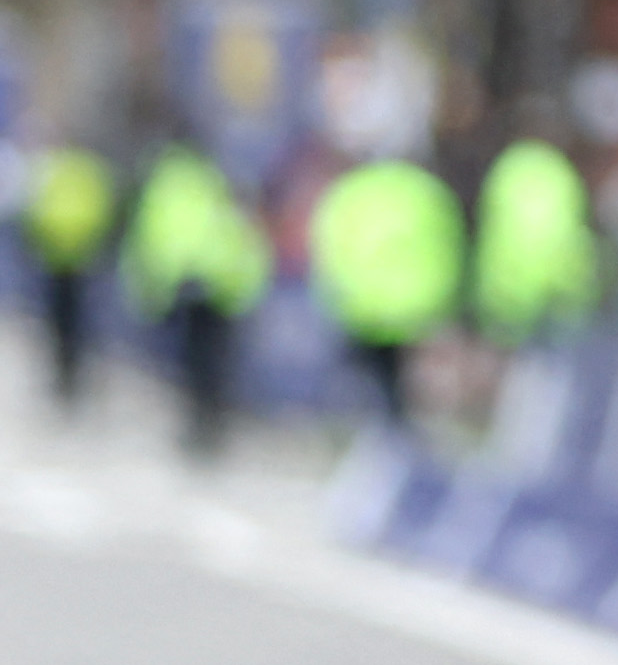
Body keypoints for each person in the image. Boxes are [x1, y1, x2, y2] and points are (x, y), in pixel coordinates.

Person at [117, 141, 272, 461]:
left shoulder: (175, 183)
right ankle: (206, 427)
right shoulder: (214, 180)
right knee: (206, 364)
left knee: (199, 364)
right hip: (212, 286)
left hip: (199, 286)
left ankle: (204, 427)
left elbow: (155, 237)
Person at [310, 150, 466, 431]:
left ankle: (382, 437)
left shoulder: (349, 191)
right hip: (416, 309)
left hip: (365, 309)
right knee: (413, 395)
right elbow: (448, 246)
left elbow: (330, 250)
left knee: (373, 388)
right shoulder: (424, 189)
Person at [472, 118, 602, 348]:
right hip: (557, 295)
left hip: (507, 294)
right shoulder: (560, 171)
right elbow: (570, 233)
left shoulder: (505, 168)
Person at [21, 134, 111, 412]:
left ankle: (68, 371)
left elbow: (36, 209)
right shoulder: (83, 171)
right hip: (71, 257)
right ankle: (67, 371)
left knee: (66, 320)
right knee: (68, 320)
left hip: (63, 256)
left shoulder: (60, 170)